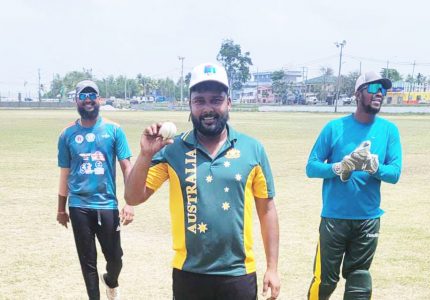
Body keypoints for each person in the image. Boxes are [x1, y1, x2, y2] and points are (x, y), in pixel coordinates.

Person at [124, 63, 280, 300]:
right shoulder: (172, 149)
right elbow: (133, 197)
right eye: (200, 101)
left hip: (238, 273)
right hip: (189, 273)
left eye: (216, 100)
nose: (208, 108)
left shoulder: (252, 149)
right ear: (190, 105)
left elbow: (267, 210)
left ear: (229, 102)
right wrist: (146, 154)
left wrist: (272, 267)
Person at [305, 71, 402, 299]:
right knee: (325, 280)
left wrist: (373, 167)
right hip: (334, 218)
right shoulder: (334, 127)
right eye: (373, 89)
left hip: (367, 219)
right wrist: (340, 167)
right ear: (358, 94)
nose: (380, 94)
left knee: (359, 279)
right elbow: (311, 167)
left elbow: (394, 174)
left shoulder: (389, 130)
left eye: (383, 90)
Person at [57, 80, 134, 300]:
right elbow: (64, 173)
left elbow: (127, 167)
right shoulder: (67, 134)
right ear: (76, 101)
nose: (88, 99)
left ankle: (111, 280)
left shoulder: (114, 130)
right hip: (78, 205)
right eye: (83, 95)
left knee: (115, 258)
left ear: (99, 99)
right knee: (87, 261)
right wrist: (61, 209)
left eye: (92, 95)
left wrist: (130, 202)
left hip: (107, 205)